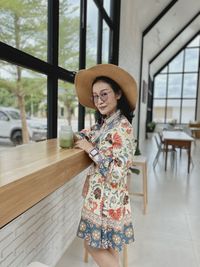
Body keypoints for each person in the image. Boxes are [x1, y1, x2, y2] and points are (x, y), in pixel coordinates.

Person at [74, 64, 137, 267]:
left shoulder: (123, 128)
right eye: (95, 96)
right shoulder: (104, 124)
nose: (99, 101)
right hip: (103, 196)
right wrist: (84, 141)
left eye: (104, 94)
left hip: (109, 201)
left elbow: (117, 173)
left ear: (118, 93)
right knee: (109, 248)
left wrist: (90, 149)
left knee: (92, 246)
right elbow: (84, 134)